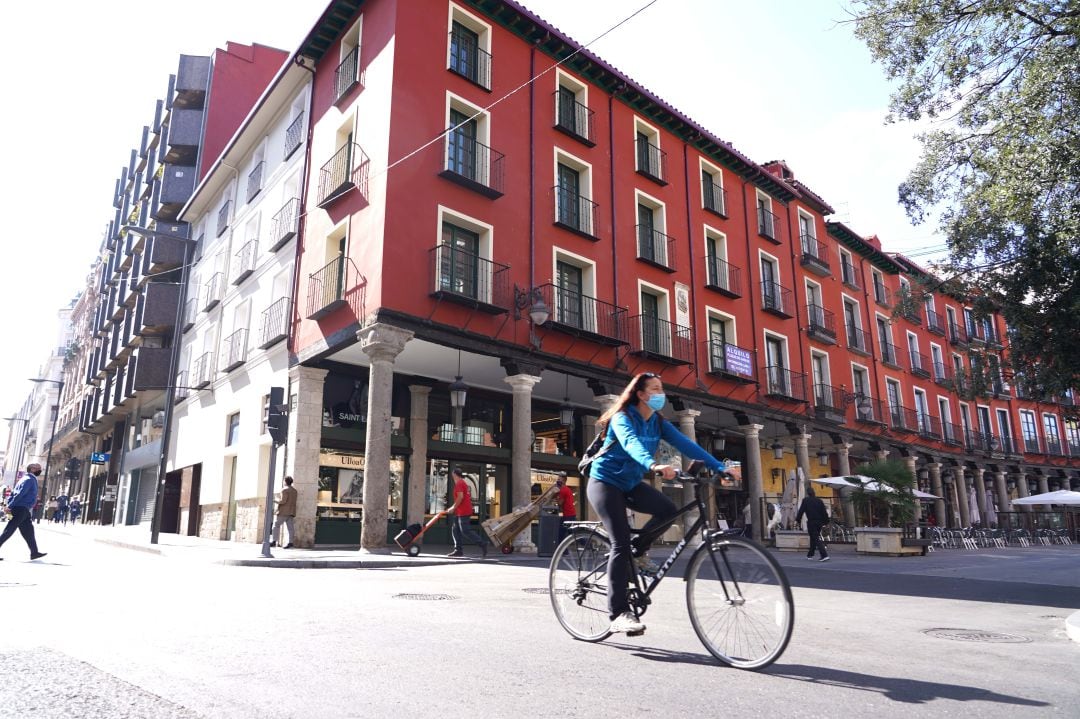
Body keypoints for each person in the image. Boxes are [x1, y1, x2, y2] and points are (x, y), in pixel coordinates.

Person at [587, 372, 727, 636]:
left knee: (668, 510)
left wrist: (720, 467)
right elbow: (630, 444)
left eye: (662, 388)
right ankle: (618, 614)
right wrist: (653, 464)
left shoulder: (658, 423)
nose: (661, 393)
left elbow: (687, 444)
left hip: (629, 483)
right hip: (604, 483)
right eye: (655, 388)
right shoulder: (622, 417)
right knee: (620, 542)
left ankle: (637, 554)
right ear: (640, 394)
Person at [0, 463, 48, 561]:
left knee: (28, 531)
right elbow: (19, 494)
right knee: (9, 530)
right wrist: (10, 505)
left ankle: (34, 552)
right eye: (39, 468)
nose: (40, 470)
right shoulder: (29, 480)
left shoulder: (25, 479)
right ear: (32, 469)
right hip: (20, 508)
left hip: (24, 508)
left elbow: (15, 493)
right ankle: (34, 552)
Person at [447, 468, 486, 558]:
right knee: (455, 530)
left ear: (455, 475)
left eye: (452, 475)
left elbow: (460, 497)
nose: (452, 476)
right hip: (460, 511)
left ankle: (482, 543)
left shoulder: (459, 483)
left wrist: (453, 507)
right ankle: (458, 550)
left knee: (465, 530)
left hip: (463, 510)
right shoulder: (462, 482)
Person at [796, 486, 830, 562]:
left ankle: (824, 555)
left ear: (808, 493)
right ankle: (810, 554)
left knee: (815, 538)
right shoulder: (819, 501)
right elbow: (824, 512)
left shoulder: (806, 500)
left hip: (812, 522)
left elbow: (801, 511)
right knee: (813, 537)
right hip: (819, 522)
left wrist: (798, 520)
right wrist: (826, 522)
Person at [270, 477, 297, 548]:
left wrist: (274, 500)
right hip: (291, 512)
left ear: (285, 481)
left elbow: (283, 501)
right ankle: (291, 543)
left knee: (276, 525)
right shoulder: (295, 491)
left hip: (283, 512)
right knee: (290, 528)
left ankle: (274, 541)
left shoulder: (284, 490)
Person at [554, 472, 576, 543]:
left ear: (563, 480)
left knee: (561, 533)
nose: (557, 481)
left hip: (567, 515)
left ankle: (587, 544)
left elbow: (560, 503)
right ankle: (588, 545)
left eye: (559, 479)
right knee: (571, 533)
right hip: (570, 514)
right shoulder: (567, 489)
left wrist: (555, 496)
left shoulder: (563, 490)